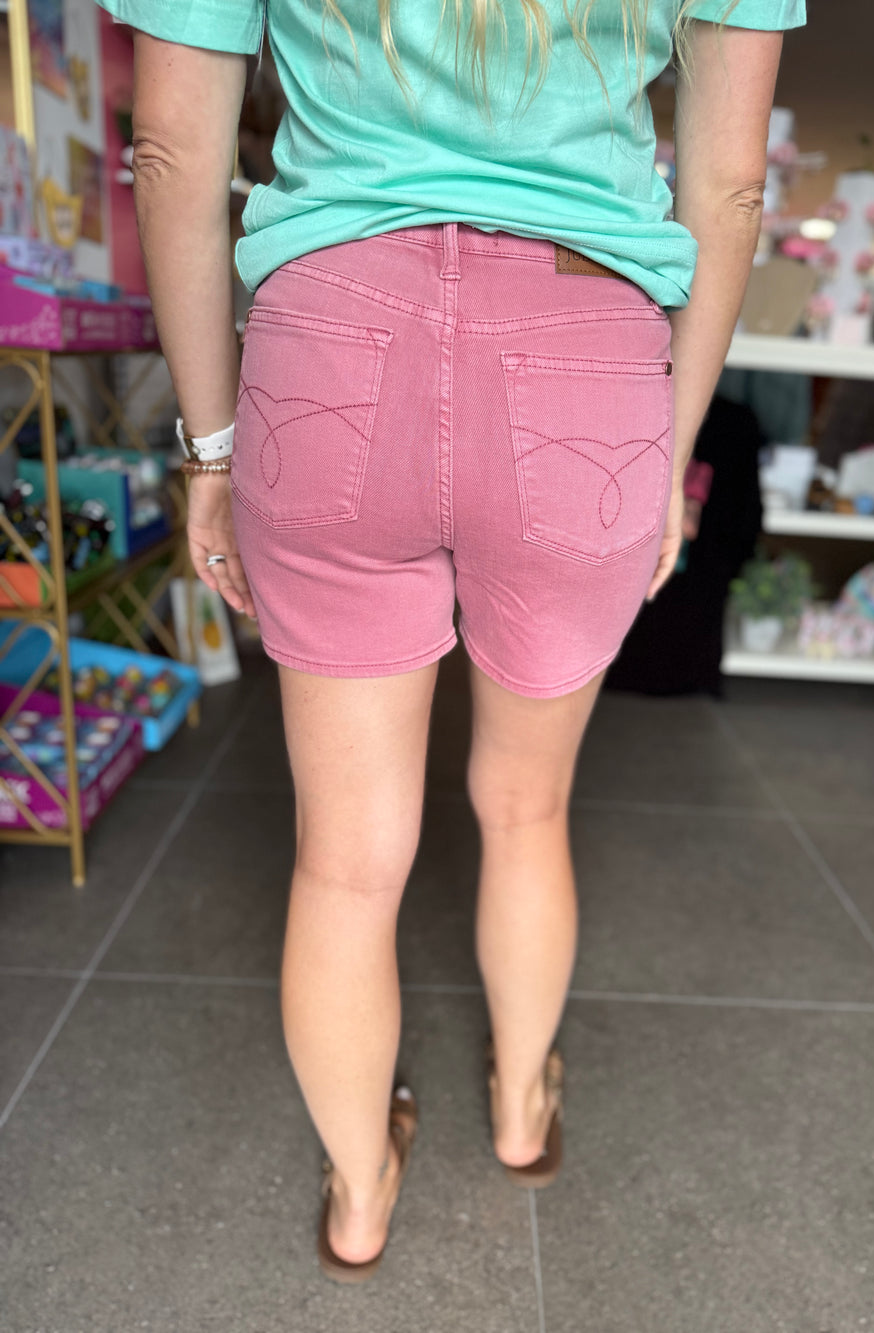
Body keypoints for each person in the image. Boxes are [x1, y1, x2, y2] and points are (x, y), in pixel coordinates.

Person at [99, 0, 804, 1282]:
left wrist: (209, 449)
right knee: (527, 807)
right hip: (585, 350)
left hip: (330, 342)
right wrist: (665, 452)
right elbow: (729, 186)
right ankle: (522, 1109)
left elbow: (172, 152)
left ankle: (360, 1194)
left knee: (345, 863)